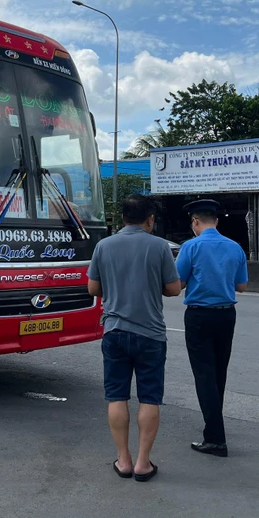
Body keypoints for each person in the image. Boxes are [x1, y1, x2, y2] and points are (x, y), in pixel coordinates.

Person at [88, 195, 181, 483]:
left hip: (114, 331)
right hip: (151, 334)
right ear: (149, 219)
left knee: (116, 396)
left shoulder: (103, 246)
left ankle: (123, 460)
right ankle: (143, 463)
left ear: (122, 217)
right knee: (149, 398)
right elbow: (174, 289)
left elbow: (93, 288)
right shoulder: (159, 247)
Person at [176, 199, 248, 457]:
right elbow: (242, 286)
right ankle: (214, 424)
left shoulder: (190, 247)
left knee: (203, 374)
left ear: (195, 222)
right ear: (216, 221)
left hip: (198, 316)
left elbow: (179, 283)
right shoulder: (235, 248)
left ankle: (215, 437)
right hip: (227, 315)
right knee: (219, 372)